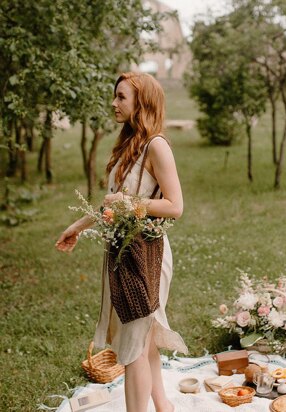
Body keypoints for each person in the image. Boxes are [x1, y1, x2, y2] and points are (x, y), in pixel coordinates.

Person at [56, 72, 188, 412]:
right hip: (123, 252)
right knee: (142, 342)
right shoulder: (130, 143)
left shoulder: (156, 146)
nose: (114, 103)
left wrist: (131, 204)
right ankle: (163, 406)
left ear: (141, 103)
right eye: (115, 97)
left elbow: (175, 206)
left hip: (147, 255)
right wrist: (76, 226)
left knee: (132, 348)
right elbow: (111, 201)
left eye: (121, 97)